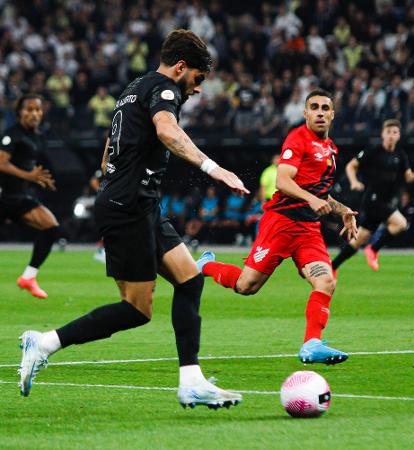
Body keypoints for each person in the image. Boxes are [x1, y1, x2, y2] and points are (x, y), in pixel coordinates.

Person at [18, 30, 249, 409]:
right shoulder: (165, 90)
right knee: (137, 309)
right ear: (180, 67)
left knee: (190, 280)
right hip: (129, 206)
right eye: (198, 78)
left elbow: (110, 145)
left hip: (136, 202)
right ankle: (43, 343)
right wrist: (214, 168)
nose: (197, 89)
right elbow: (167, 130)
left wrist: (113, 175)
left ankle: (191, 381)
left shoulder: (134, 87)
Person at [197, 89, 358, 365]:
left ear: (332, 114)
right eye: (314, 107)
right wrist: (311, 199)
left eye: (325, 108)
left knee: (326, 281)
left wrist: (342, 210)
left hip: (308, 230)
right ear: (305, 113)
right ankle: (205, 266)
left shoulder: (331, 149)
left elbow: (321, 192)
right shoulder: (298, 138)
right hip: (280, 224)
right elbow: (283, 181)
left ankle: (311, 344)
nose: (320, 112)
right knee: (247, 286)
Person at [332, 119, 414, 272]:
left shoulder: (400, 155)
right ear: (382, 134)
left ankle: (332, 267)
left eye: (394, 132)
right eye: (388, 132)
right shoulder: (374, 151)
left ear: (399, 135)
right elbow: (351, 166)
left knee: (358, 240)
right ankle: (373, 250)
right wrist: (354, 182)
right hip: (373, 200)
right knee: (400, 224)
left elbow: (408, 176)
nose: (391, 136)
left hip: (385, 201)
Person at [0, 94, 58, 299]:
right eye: (29, 109)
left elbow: (25, 163)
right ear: (19, 113)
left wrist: (38, 177)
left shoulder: (38, 136)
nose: (34, 113)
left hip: (17, 197)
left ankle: (29, 277)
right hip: (2, 195)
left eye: (37, 110)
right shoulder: (11, 134)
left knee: (51, 227)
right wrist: (30, 176)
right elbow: (1, 163)